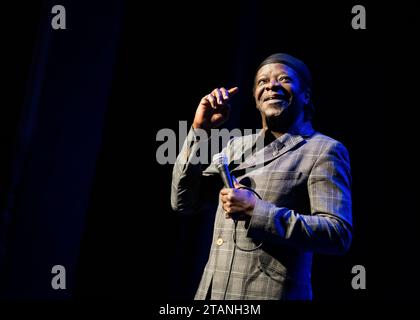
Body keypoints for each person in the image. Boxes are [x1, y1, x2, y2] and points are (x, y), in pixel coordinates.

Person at [171, 53, 352, 300]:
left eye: (284, 79)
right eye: (262, 81)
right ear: (256, 99)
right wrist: (200, 130)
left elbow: (337, 233)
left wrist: (258, 211)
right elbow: (184, 201)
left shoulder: (323, 150)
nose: (271, 85)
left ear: (306, 95)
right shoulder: (236, 146)